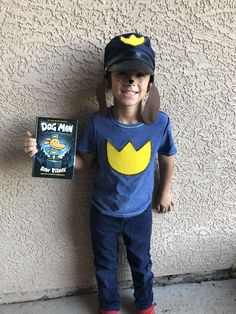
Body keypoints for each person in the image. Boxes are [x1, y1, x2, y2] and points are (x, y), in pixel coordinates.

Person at [24, 33, 177, 314]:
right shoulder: (97, 123)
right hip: (103, 211)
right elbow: (85, 161)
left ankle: (145, 303)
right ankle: (109, 306)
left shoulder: (160, 123)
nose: (131, 81)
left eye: (140, 75)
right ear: (109, 80)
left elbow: (167, 157)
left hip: (139, 212)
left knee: (141, 261)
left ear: (149, 83)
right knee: (104, 263)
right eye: (122, 73)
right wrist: (46, 152)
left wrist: (164, 190)